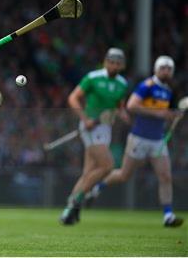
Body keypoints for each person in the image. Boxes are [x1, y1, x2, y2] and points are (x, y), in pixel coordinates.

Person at [85, 56, 184, 227]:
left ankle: (168, 215)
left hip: (158, 140)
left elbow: (165, 113)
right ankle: (97, 186)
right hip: (139, 138)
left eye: (169, 69)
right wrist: (159, 113)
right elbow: (132, 105)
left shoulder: (169, 90)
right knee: (124, 174)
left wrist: (173, 115)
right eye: (163, 68)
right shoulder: (147, 86)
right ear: (156, 69)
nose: (166, 71)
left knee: (165, 176)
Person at [60, 47, 129, 225]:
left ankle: (69, 210)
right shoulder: (93, 78)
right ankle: (78, 199)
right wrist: (85, 118)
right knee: (107, 166)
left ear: (122, 65)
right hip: (91, 128)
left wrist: (122, 114)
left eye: (117, 63)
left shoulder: (123, 83)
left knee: (88, 173)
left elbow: (119, 106)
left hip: (106, 129)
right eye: (111, 62)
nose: (114, 66)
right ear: (106, 62)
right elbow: (73, 98)